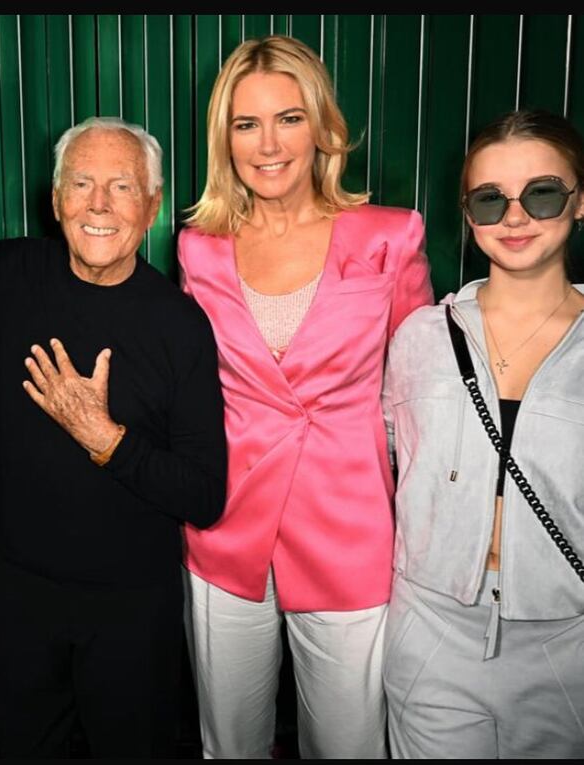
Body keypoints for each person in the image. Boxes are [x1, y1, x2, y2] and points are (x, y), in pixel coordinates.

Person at [177, 34, 433, 759]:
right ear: (224, 139)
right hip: (226, 533)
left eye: (288, 118)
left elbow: (420, 397)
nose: (268, 144)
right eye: (246, 123)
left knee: (349, 747)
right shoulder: (198, 247)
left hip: (350, 535)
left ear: (321, 126)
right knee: (229, 746)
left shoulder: (390, 237)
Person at [0, 116, 227, 758]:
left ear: (152, 206)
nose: (99, 204)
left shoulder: (180, 325)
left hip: (133, 613)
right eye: (81, 184)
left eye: (122, 186)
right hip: (21, 601)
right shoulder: (8, 274)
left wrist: (105, 438)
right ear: (56, 201)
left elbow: (204, 496)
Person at [382, 109, 584, 758]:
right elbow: (388, 462)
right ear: (469, 215)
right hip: (432, 631)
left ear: (580, 201)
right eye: (490, 199)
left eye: (542, 193)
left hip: (568, 641)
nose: (515, 217)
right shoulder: (418, 337)